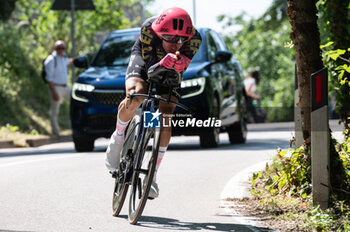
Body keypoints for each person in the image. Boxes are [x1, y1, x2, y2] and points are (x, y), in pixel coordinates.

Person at [105, 7, 202, 199]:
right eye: (170, 38)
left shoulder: (195, 38)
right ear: (159, 33)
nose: (176, 44)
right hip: (145, 61)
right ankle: (118, 137)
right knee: (136, 95)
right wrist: (162, 63)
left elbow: (178, 71)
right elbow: (150, 71)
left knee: (165, 115)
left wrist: (178, 63)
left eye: (181, 40)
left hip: (170, 69)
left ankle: (153, 175)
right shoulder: (149, 28)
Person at [44, 40, 73, 137]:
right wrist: (54, 92)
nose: (61, 50)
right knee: (54, 111)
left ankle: (76, 127)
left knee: (76, 102)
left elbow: (68, 62)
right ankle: (56, 133)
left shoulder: (63, 58)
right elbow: (49, 78)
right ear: (55, 48)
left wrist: (75, 60)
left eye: (63, 48)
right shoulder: (51, 60)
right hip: (56, 87)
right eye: (59, 48)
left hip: (65, 86)